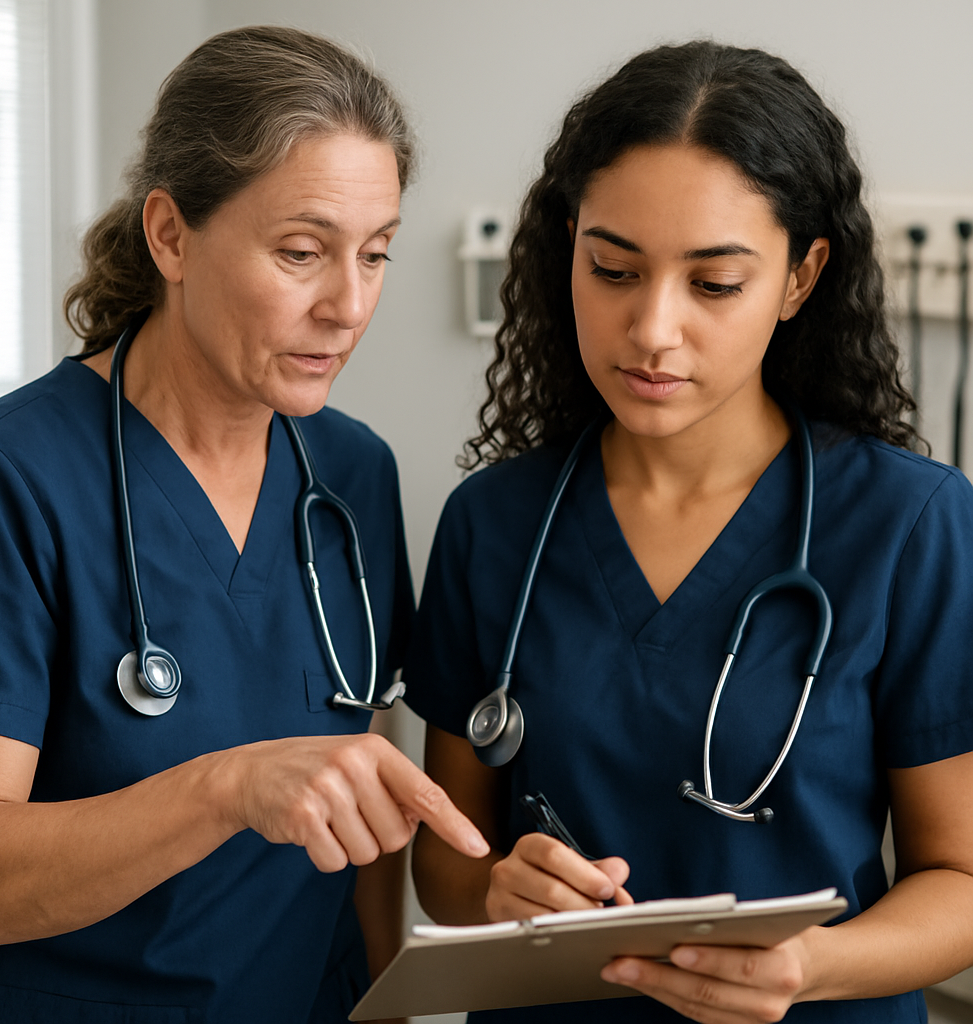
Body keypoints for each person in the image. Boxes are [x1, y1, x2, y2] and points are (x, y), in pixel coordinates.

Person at [405, 40, 973, 1023]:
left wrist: (810, 967)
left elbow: (960, 881)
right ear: (568, 250)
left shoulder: (909, 524)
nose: (652, 329)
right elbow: (446, 868)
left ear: (799, 277)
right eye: (613, 269)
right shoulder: (493, 524)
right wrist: (496, 888)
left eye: (713, 284)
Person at [0, 25, 488, 1024]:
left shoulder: (352, 476)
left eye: (375, 254)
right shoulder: (1, 480)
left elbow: (364, 805)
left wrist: (388, 1003)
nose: (349, 305)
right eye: (302, 253)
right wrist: (226, 789)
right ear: (170, 236)